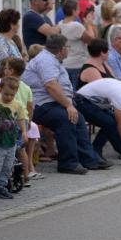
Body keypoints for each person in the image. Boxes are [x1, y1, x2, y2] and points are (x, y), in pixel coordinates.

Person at [23, 35, 109, 174]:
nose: (69, 50)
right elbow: (50, 85)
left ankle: (88, 159)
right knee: (66, 118)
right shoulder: (46, 60)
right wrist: (68, 105)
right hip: (40, 105)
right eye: (68, 47)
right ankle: (67, 163)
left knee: (79, 118)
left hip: (53, 102)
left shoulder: (52, 59)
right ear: (62, 49)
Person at [76, 38, 121, 165]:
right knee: (112, 122)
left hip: (94, 103)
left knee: (112, 121)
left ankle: (117, 153)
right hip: (81, 102)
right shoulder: (120, 93)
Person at [58, 0, 94, 86]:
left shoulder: (60, 24)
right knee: (76, 90)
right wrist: (89, 24)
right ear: (74, 11)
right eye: (78, 9)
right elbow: (91, 40)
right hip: (77, 64)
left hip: (65, 63)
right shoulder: (76, 26)